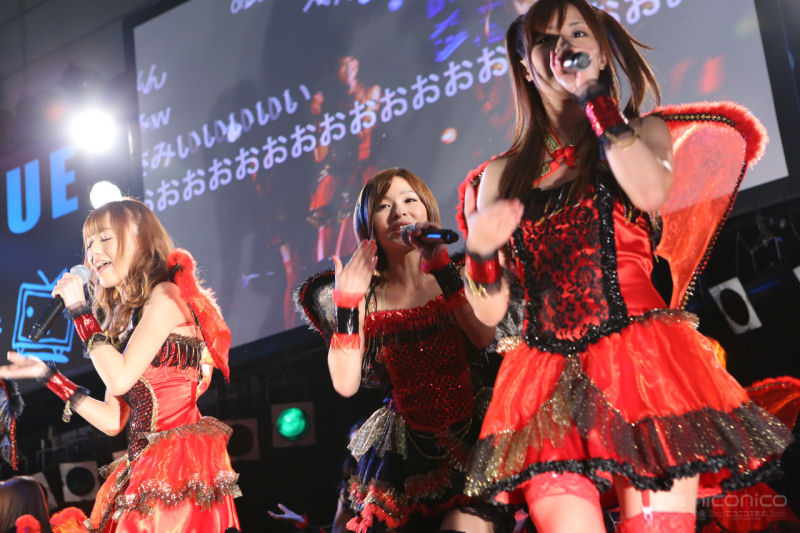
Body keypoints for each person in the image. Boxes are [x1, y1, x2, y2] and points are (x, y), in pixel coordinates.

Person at [458, 2, 792, 532]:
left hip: (644, 365)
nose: (563, 47)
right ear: (525, 63)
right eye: (545, 40)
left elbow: (649, 190)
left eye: (576, 33)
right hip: (544, 383)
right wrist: (479, 255)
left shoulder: (643, 133)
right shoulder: (500, 176)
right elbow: (491, 316)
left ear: (599, 51)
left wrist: (595, 97)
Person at [0, 198, 241, 532]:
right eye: (88, 244)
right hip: (145, 466)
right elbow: (114, 420)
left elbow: (121, 378)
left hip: (177, 468)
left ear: (141, 240)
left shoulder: (167, 295)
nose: (93, 252)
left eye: (105, 238)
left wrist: (80, 311)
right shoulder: (130, 323)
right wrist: (49, 375)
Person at [296, 169, 501, 532]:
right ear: (368, 225)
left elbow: (484, 338)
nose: (399, 212)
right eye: (384, 206)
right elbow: (345, 383)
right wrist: (348, 304)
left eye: (409, 200)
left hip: (474, 432)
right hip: (406, 451)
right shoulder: (365, 298)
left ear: (427, 210)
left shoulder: (456, 273)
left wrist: (442, 269)